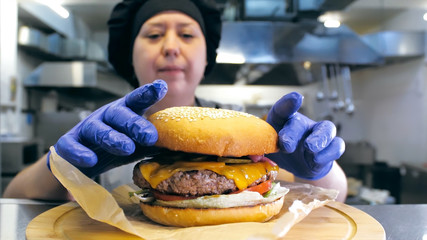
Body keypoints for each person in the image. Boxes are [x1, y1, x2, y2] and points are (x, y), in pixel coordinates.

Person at [3, 0, 347, 202]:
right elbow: (13, 199)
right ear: (129, 53)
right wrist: (58, 166)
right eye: (153, 35)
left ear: (205, 56)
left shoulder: (246, 129)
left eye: (186, 34)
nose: (170, 46)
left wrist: (320, 169)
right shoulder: (99, 128)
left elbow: (338, 195)